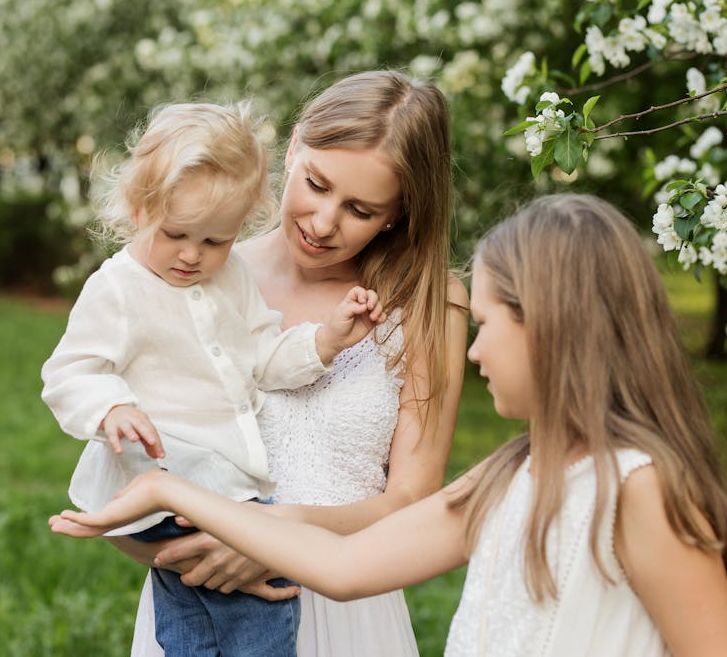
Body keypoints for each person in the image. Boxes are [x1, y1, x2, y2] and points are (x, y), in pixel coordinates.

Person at [52, 193, 727, 656]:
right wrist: (173, 492)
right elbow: (345, 566)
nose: (474, 349)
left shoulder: (640, 489)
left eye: (488, 325)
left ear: (557, 329)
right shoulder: (513, 473)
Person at [102, 71, 468, 656]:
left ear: (399, 213)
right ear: (293, 147)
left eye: (361, 209)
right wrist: (199, 552)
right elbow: (123, 473)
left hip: (350, 605)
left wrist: (273, 537)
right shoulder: (195, 279)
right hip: (205, 593)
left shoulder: (427, 303)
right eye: (317, 184)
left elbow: (411, 501)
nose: (324, 223)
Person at [41, 101, 385, 657]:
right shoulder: (118, 288)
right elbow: (70, 370)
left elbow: (265, 358)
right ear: (137, 207)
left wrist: (325, 341)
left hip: (216, 482)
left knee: (191, 621)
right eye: (177, 233)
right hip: (169, 478)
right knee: (264, 609)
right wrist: (110, 409)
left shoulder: (232, 278)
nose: (193, 256)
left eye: (215, 241)